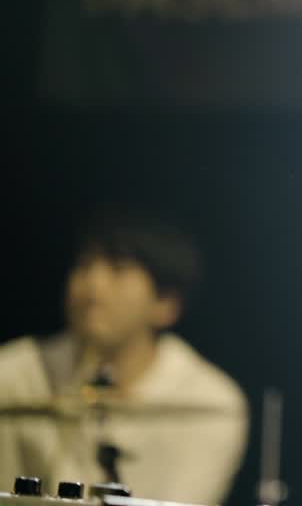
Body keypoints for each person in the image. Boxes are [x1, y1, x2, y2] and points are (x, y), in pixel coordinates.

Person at [0, 207, 248, 504]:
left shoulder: (211, 403)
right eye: (84, 266)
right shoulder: (12, 374)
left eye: (117, 269)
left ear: (166, 303)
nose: (92, 286)